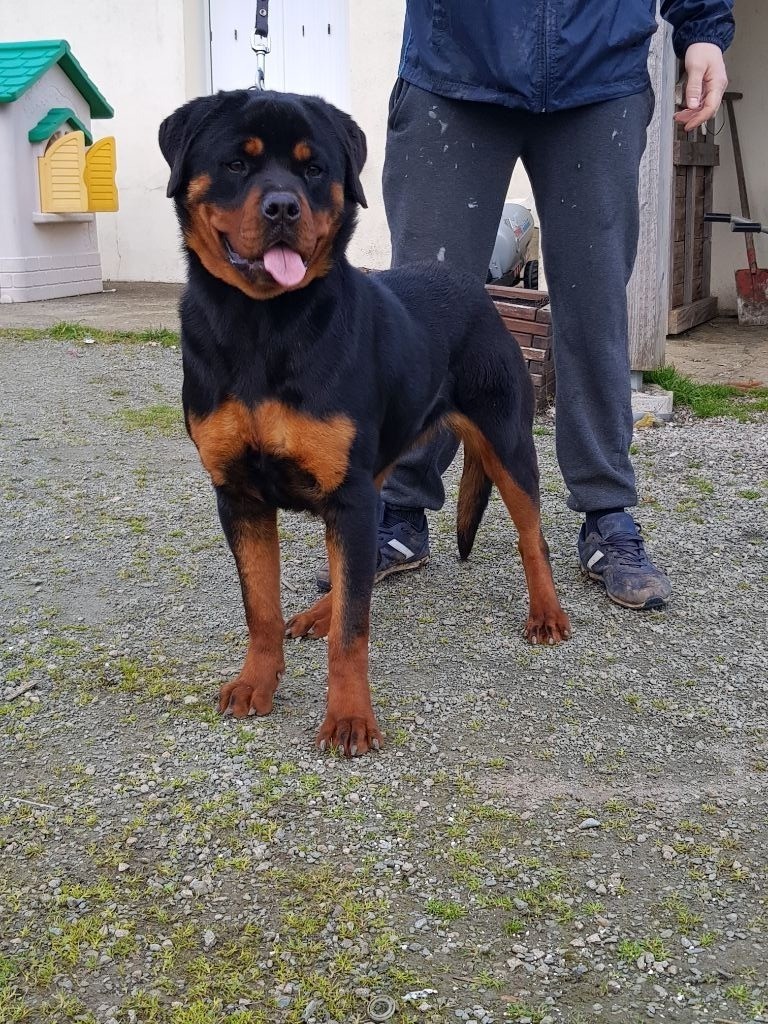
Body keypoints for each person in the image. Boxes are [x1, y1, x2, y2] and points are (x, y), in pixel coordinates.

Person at [321, 0, 732, 611]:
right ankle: (400, 508)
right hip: (454, 63)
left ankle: (606, 511)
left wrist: (702, 28)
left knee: (595, 312)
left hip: (598, 67)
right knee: (417, 312)